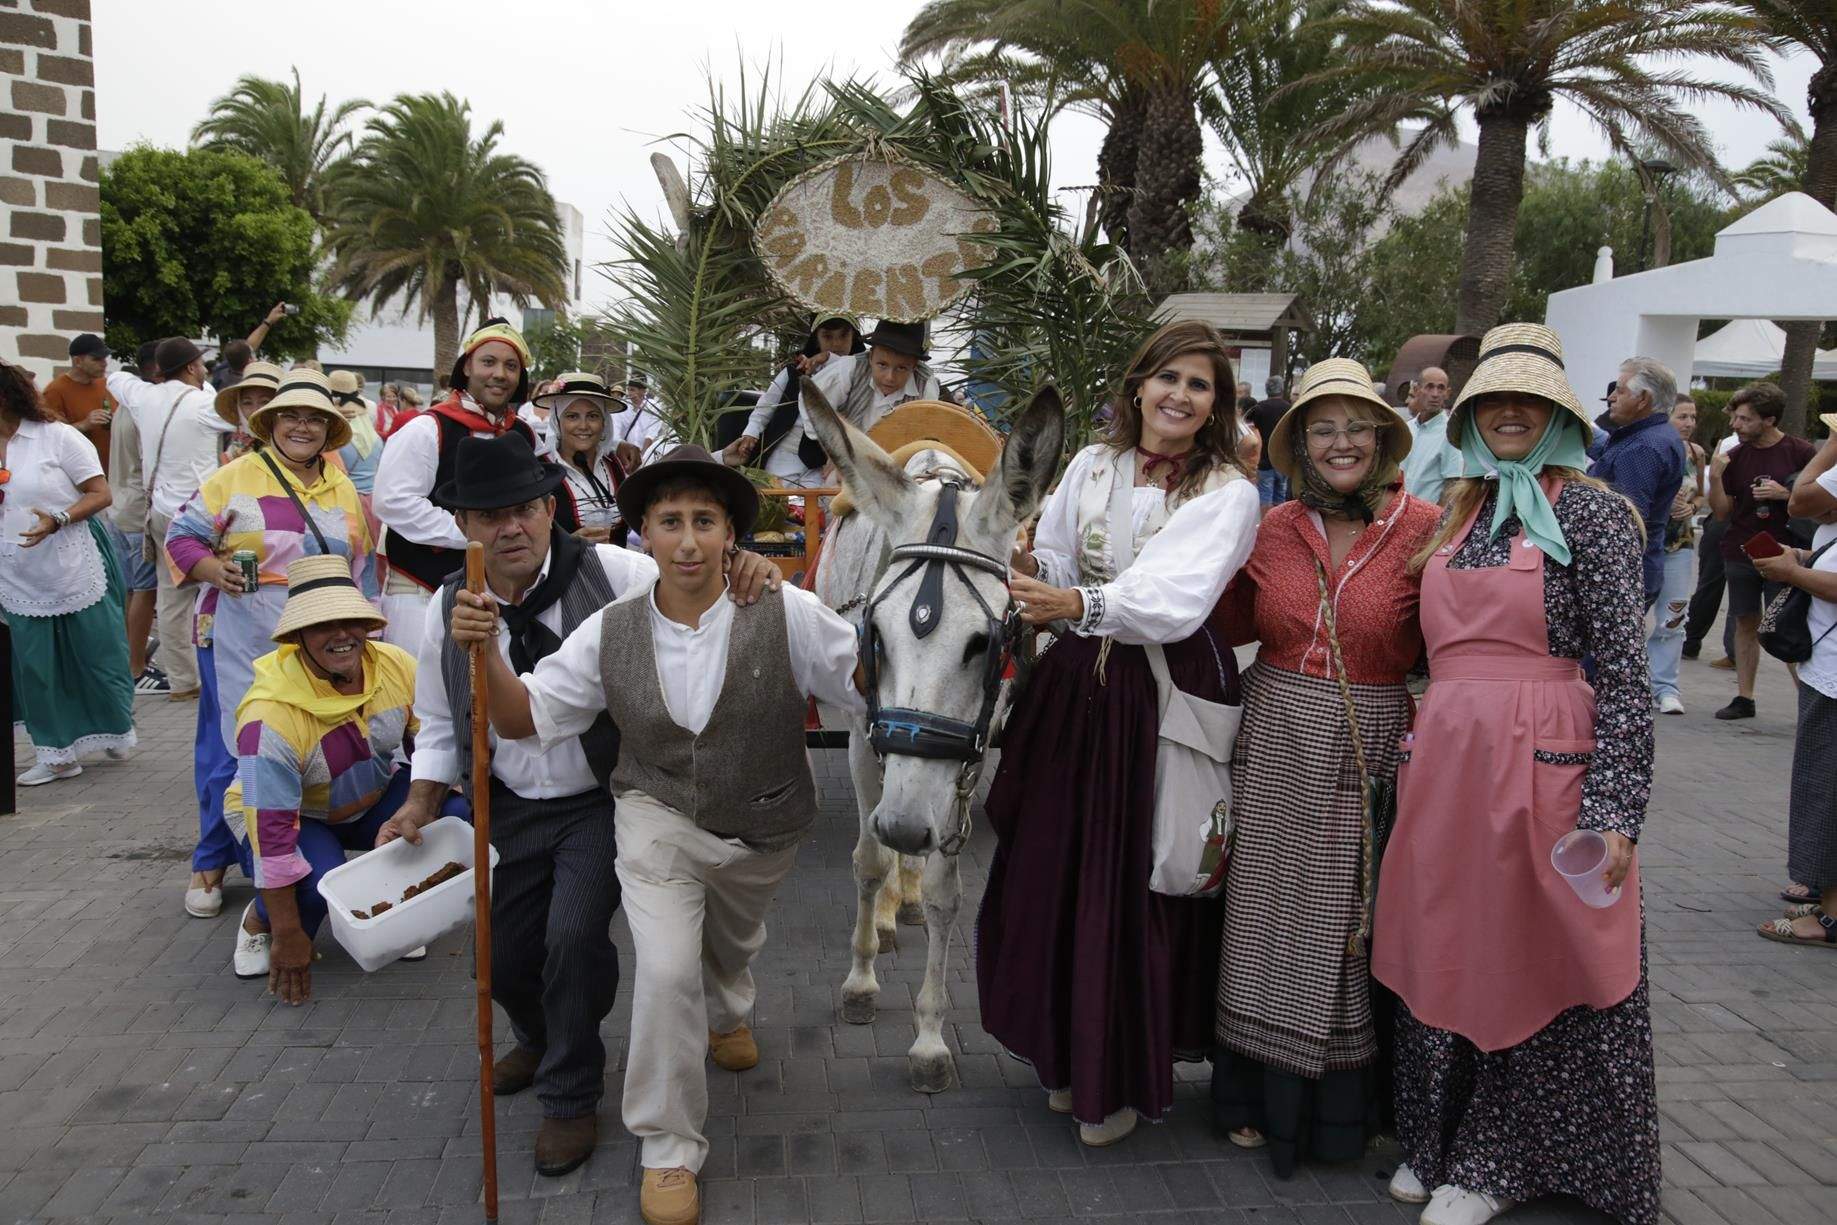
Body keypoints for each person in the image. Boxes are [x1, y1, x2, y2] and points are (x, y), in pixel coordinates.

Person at [451, 442, 859, 1225]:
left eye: (705, 521)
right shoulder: (611, 629)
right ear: (641, 531)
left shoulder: (788, 610)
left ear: (730, 534)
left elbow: (866, 684)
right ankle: (668, 1146)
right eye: (669, 520)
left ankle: (730, 1003)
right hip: (656, 817)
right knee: (666, 971)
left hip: (764, 823)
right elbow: (519, 718)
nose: (687, 539)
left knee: (731, 944)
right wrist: (487, 649)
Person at [1371, 324, 1658, 1225]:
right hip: (1449, 767)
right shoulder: (1450, 512)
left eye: (1526, 401)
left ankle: (1497, 1162)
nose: (1506, 413)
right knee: (1443, 946)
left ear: (1558, 416)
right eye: (1490, 400)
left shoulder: (1593, 513)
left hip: (1547, 769)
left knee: (1535, 957)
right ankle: (1436, 1138)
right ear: (1463, 416)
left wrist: (1614, 809)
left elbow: (1623, 673)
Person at [981, 319, 1260, 1147]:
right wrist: (1036, 574)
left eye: (1198, 384)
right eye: (1166, 377)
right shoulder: (1090, 464)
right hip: (1077, 683)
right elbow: (1065, 558)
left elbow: (1173, 599)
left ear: (1216, 404)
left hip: (1159, 691)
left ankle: (1122, 1077)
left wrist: (1076, 605)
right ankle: (1067, 1057)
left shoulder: (1226, 492)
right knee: (1057, 866)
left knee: (1136, 877)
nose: (1178, 395)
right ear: (1137, 384)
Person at [1208, 358, 1440, 1178]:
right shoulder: (1269, 528)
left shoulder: (1428, 529)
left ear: (1381, 437)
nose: (1340, 443)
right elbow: (1218, 612)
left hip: (1369, 735)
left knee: (1346, 922)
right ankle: (1247, 1099)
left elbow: (1453, 644)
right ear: (1299, 445)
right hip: (1271, 729)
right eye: (1321, 428)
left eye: (1355, 426)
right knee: (1264, 907)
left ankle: (1335, 1114)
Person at [166, 369, 375, 921]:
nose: (301, 426)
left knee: (306, 749)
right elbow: (181, 537)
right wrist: (214, 569)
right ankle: (225, 868)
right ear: (271, 424)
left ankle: (293, 864)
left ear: (330, 429)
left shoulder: (343, 487)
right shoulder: (234, 476)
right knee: (237, 752)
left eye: (314, 418)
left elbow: (363, 566)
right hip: (244, 635)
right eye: (291, 416)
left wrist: (370, 630)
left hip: (321, 639)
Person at [223, 555, 465, 998]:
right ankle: (259, 918)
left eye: (351, 620)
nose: (341, 635)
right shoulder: (268, 717)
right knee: (320, 892)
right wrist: (287, 932)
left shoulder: (393, 663)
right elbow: (274, 838)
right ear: (297, 636)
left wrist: (418, 806)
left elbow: (430, 743)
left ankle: (398, 905)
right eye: (322, 625)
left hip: (371, 797)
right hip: (296, 817)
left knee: (454, 811)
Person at [372, 318, 569, 660]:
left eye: (511, 366)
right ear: (466, 368)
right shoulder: (426, 428)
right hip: (422, 593)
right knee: (422, 699)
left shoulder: (523, 435)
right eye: (488, 362)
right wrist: (475, 535)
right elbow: (394, 502)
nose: (500, 374)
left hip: (497, 601)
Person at [0, 359, 137, 785]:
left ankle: (113, 726)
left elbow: (101, 494)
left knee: (97, 654)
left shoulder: (56, 438)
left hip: (71, 557)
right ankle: (56, 754)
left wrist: (58, 518)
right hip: (15, 569)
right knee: (34, 666)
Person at [107, 337, 234, 702]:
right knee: (217, 586)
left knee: (171, 596)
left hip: (159, 510)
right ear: (192, 367)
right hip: (200, 511)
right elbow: (239, 415)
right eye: (201, 365)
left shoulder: (143, 395)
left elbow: (117, 380)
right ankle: (220, 669)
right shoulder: (202, 403)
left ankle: (183, 680)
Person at [1706, 382, 1817, 720]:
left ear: (1769, 419)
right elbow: (1722, 512)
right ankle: (1745, 697)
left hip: (1787, 552)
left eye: (1744, 419)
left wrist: (1786, 495)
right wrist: (1714, 478)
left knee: (1788, 624)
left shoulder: (1801, 452)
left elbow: (1820, 501)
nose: (1735, 425)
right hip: (1742, 549)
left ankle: (1810, 703)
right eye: (1735, 418)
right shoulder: (1736, 456)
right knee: (1745, 621)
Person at [1752, 536, 1837, 948]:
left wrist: (1793, 573)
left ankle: (1832, 918)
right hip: (1827, 674)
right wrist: (1802, 559)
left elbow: (1806, 496)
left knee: (1826, 795)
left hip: (1834, 681)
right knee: (1822, 791)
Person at [726, 313, 865, 483]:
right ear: (816, 339)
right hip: (782, 458)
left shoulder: (863, 379)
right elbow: (766, 406)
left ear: (854, 337)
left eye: (843, 336)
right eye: (827, 336)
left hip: (828, 464)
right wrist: (751, 433)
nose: (836, 344)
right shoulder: (794, 372)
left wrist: (830, 359)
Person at [1592, 358, 1687, 607]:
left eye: (1620, 390)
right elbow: (1611, 454)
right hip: (1634, 571)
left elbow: (1627, 522)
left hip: (1619, 577)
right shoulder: (1655, 436)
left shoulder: (1643, 448)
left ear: (1643, 399)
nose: (1611, 397)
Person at [1649, 394, 1708, 715]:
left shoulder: (1696, 453)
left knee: (1673, 618)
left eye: (1693, 417)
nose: (1689, 423)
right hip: (1646, 545)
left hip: (1680, 547)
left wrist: (1692, 506)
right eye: (1682, 416)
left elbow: (1700, 495)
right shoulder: (1652, 448)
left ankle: (1665, 687)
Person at [107, 390, 162, 690]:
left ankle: (129, 660)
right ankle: (136, 668)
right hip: (138, 510)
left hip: (120, 504)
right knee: (145, 591)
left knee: (129, 591)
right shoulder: (143, 410)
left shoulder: (122, 408)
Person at [535, 371, 629, 545]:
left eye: (592, 416)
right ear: (557, 421)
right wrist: (567, 545)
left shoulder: (614, 464)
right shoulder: (541, 470)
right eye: (572, 416)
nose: (583, 426)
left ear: (604, 422)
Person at [41, 333, 117, 477]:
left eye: (105, 358)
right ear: (78, 361)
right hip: (81, 476)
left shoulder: (106, 384)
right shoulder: (55, 391)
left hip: (113, 472)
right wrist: (84, 424)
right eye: (97, 359)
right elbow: (48, 437)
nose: (104, 363)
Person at [1399, 365, 1460, 505]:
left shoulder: (1451, 432)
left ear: (1447, 393)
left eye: (1441, 388)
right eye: (1429, 387)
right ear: (1416, 390)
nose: (1435, 394)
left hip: (1430, 520)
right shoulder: (1407, 429)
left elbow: (1452, 485)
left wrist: (1437, 523)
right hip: (1400, 514)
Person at [208, 302, 289, 391]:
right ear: (250, 360)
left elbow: (247, 347)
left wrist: (268, 321)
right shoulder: (253, 386)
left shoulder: (221, 374)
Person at [1247, 376, 1293, 507]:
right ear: (1282, 389)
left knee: (1264, 495)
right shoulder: (1289, 408)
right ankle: (1280, 525)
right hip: (1282, 459)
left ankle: (1265, 525)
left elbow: (1250, 429)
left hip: (1264, 458)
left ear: (1266, 390)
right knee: (1281, 494)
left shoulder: (1259, 408)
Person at [610, 372, 668, 471]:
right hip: (625, 456)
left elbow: (651, 435)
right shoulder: (622, 407)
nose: (629, 393)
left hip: (648, 456)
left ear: (643, 391)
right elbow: (616, 433)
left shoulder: (654, 407)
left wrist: (642, 458)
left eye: (633, 390)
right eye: (628, 389)